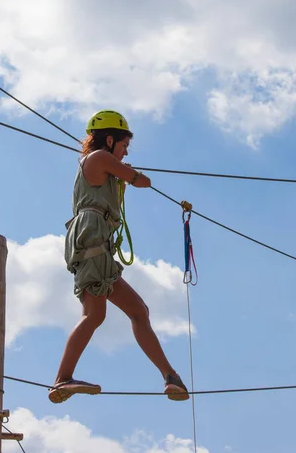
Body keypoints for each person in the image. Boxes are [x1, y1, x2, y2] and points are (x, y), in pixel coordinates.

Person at [48, 110, 189, 404]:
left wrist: (123, 174)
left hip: (99, 242)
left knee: (139, 310)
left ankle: (170, 377)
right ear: (109, 139)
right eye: (124, 144)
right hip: (92, 238)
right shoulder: (100, 157)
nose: (126, 151)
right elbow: (140, 180)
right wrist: (132, 174)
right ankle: (62, 379)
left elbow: (125, 179)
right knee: (94, 314)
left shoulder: (106, 164)